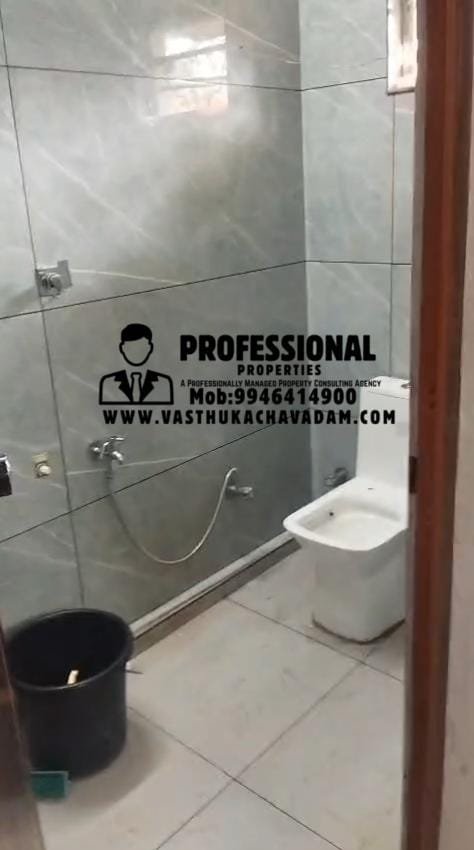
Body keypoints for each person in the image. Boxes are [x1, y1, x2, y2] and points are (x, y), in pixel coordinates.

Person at [99, 324, 174, 405]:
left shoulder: (163, 382)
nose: (136, 353)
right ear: (122, 348)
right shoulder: (108, 382)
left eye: (141, 348)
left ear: (150, 348)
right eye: (130, 348)